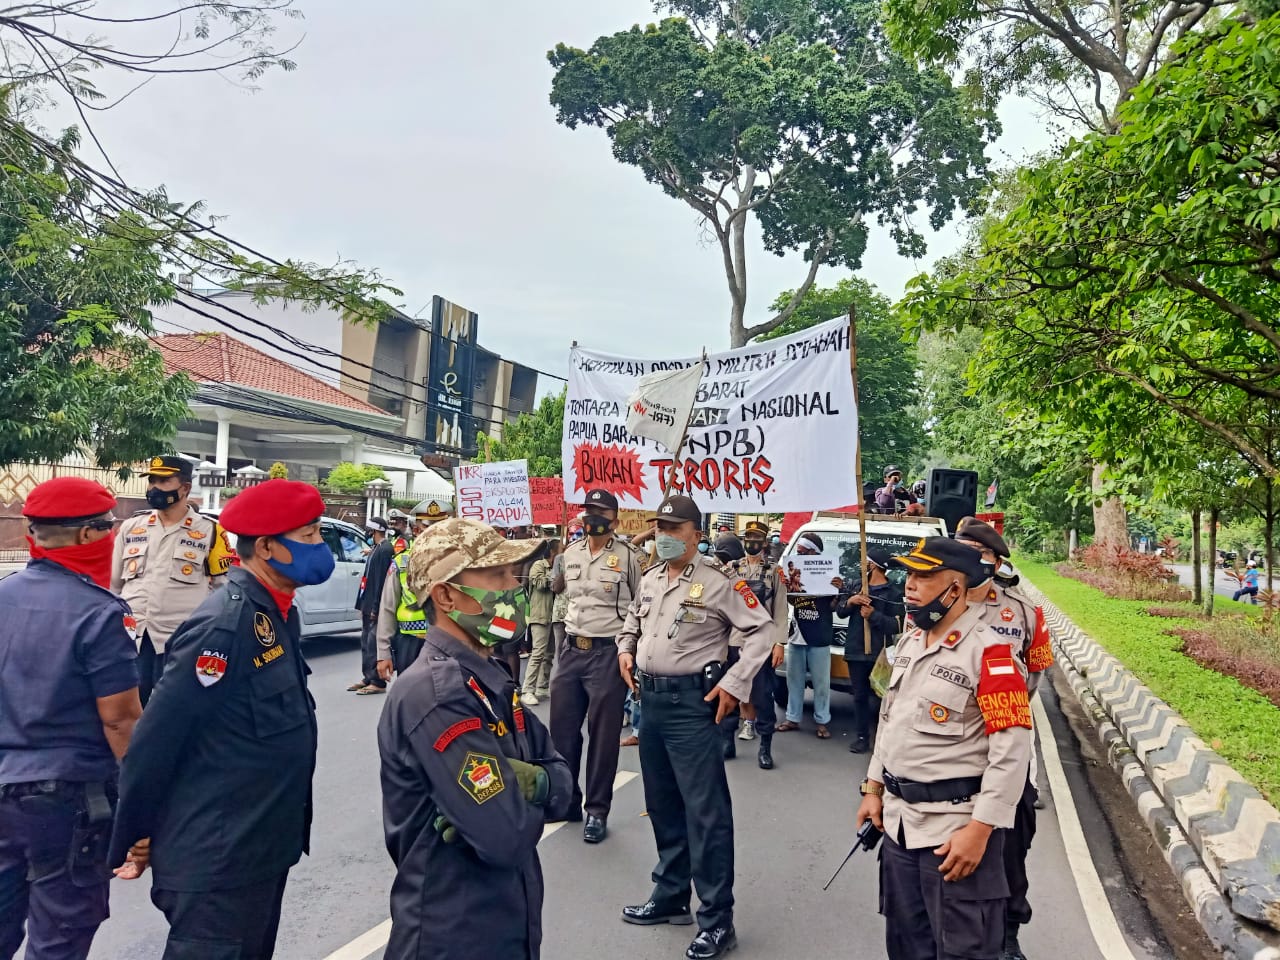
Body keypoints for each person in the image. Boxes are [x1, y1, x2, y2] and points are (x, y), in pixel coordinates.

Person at [108, 479, 330, 960]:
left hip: (257, 848)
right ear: (267, 547)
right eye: (309, 536)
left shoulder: (275, 614)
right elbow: (157, 739)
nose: (321, 546)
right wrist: (137, 832)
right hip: (218, 859)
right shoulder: (224, 626)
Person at [378, 519, 572, 960]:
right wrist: (526, 792)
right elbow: (506, 837)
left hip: (504, 922)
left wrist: (537, 783)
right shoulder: (439, 695)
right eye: (498, 575)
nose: (514, 587)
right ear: (446, 596)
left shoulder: (489, 679)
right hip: (454, 933)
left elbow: (564, 786)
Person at [856, 537, 1032, 960]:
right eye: (909, 574)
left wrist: (981, 829)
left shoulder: (993, 654)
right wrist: (873, 787)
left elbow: (1012, 752)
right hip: (899, 827)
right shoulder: (910, 642)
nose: (910, 585)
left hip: (954, 834)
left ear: (955, 587)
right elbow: (890, 721)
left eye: (923, 576)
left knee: (963, 951)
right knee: (906, 946)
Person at [616, 495, 774, 960]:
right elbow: (632, 621)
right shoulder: (651, 578)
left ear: (696, 534)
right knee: (662, 805)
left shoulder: (721, 582)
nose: (664, 535)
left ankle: (717, 919)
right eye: (660, 527)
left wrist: (736, 683)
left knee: (705, 815)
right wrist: (625, 648)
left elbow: (763, 631)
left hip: (691, 706)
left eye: (674, 528)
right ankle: (670, 896)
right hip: (650, 704)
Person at [0, 478, 142, 960]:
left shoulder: (4, 594)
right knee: (58, 938)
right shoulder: (100, 613)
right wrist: (143, 807)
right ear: (88, 535)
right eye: (109, 527)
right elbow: (121, 720)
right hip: (64, 801)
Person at [954, 517, 1054, 960]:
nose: (968, 561)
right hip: (948, 747)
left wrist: (1003, 711)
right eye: (961, 550)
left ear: (995, 563)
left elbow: (1036, 670)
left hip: (1005, 740)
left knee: (1013, 838)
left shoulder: (1024, 611)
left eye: (978, 554)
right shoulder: (937, 601)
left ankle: (1009, 931)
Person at [549, 488, 643, 844]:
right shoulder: (570, 553)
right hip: (571, 649)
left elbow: (640, 605)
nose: (592, 517)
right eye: (588, 510)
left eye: (600, 512)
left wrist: (632, 650)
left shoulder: (629, 557)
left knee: (603, 737)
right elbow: (558, 590)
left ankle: (597, 811)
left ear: (614, 520)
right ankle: (567, 800)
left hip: (608, 652)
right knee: (561, 731)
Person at [111, 455, 234, 706]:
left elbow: (223, 591)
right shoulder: (131, 527)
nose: (154, 488)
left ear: (185, 488)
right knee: (129, 713)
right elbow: (115, 586)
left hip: (183, 641)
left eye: (164, 481)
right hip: (134, 639)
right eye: (152, 481)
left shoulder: (210, 531)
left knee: (177, 713)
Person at [714, 524, 787, 769]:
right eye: (749, 537)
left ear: (765, 543)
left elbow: (780, 609)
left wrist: (779, 643)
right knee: (730, 688)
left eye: (757, 538)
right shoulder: (732, 569)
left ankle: (765, 746)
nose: (752, 542)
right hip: (735, 640)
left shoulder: (774, 572)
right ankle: (728, 740)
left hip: (761, 643)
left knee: (762, 695)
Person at [842, 547, 903, 754]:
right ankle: (862, 737)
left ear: (874, 565)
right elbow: (840, 611)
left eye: (866, 561)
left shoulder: (893, 593)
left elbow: (897, 625)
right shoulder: (857, 586)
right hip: (856, 651)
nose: (863, 565)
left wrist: (873, 615)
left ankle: (882, 738)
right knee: (859, 696)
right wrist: (851, 601)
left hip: (880, 654)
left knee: (880, 697)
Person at [778, 533, 838, 739]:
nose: (799, 555)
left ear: (814, 552)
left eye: (802, 552)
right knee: (794, 680)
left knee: (821, 683)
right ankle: (792, 718)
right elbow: (792, 602)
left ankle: (822, 721)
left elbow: (834, 607)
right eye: (798, 552)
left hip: (819, 635)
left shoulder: (828, 572)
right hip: (798, 632)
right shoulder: (795, 571)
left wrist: (836, 591)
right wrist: (786, 586)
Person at [350, 516, 394, 695]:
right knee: (365, 642)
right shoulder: (376, 549)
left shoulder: (385, 550)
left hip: (376, 605)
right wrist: (361, 604)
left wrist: (375, 608)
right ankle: (367, 677)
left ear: (374, 531)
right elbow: (367, 579)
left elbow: (380, 582)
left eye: (368, 530)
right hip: (367, 603)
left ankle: (377, 681)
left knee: (373, 644)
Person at [377, 535, 430, 681]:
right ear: (417, 530)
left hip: (448, 643)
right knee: (411, 691)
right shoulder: (401, 561)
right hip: (411, 642)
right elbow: (387, 608)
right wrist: (383, 653)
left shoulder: (457, 557)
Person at [522, 539, 559, 704]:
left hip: (554, 615)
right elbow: (539, 583)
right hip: (540, 615)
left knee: (549, 654)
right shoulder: (538, 565)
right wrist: (555, 576)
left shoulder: (559, 567)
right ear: (553, 552)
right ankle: (527, 690)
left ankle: (542, 687)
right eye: (561, 550)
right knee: (538, 653)